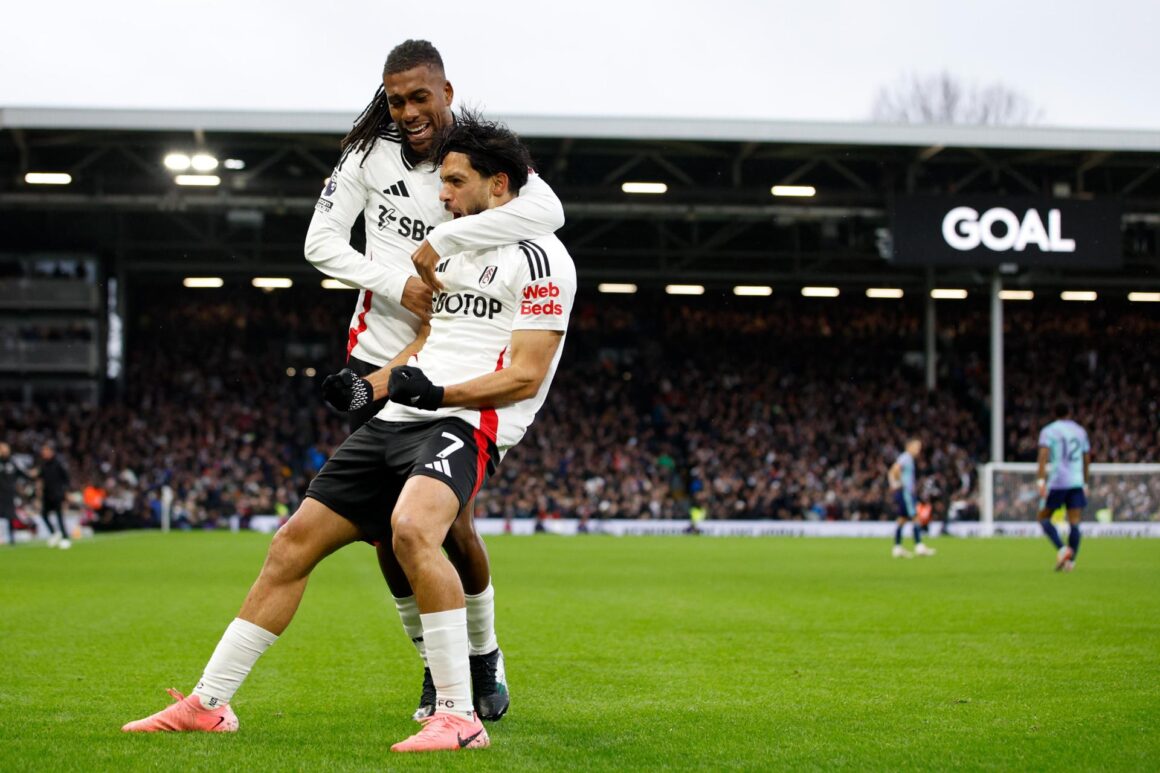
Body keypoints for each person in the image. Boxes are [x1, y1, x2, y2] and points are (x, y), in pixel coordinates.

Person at [123, 113, 577, 755]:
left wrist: (437, 394)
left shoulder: (542, 259)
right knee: (291, 543)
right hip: (404, 413)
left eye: (452, 182)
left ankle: (457, 717)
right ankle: (209, 703)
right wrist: (374, 386)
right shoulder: (451, 246)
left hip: (471, 420)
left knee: (416, 530)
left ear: (498, 185)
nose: (441, 195)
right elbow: (431, 340)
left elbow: (527, 376)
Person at [306, 39, 564, 721]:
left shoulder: (480, 158)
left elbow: (549, 213)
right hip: (381, 356)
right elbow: (320, 242)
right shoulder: (366, 157)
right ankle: (435, 663)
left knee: (446, 526)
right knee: (387, 534)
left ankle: (483, 651)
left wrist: (444, 245)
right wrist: (398, 282)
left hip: (453, 355)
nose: (410, 112)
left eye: (421, 97)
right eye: (397, 101)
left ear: (447, 92)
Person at [1035, 402, 1090, 572]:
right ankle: (1070, 562)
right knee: (1074, 523)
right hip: (1076, 481)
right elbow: (1086, 458)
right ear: (1070, 412)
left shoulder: (1049, 431)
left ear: (1054, 413)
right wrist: (1085, 481)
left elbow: (1043, 456)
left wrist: (1041, 480)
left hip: (1058, 481)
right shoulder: (1080, 431)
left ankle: (1062, 549)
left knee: (1043, 518)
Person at [888, 438, 935, 558]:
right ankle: (919, 546)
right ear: (909, 446)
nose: (918, 450)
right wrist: (900, 484)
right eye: (916, 447)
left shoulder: (907, 458)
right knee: (915, 517)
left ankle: (897, 547)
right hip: (906, 493)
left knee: (902, 519)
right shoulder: (906, 457)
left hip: (905, 492)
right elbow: (895, 470)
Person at [38, 444, 71, 549]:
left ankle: (65, 538)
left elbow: (66, 479)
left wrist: (65, 492)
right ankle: (54, 533)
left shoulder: (58, 464)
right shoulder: (43, 465)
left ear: (51, 452)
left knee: (59, 516)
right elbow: (40, 478)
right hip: (47, 495)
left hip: (57, 494)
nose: (44, 453)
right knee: (43, 514)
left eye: (46, 450)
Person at [1, 442, 33, 546]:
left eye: (6, 449)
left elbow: (23, 473)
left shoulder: (12, 462)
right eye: (2, 449)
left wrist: (31, 476)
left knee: (10, 516)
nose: (4, 451)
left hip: (9, 494)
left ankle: (11, 538)